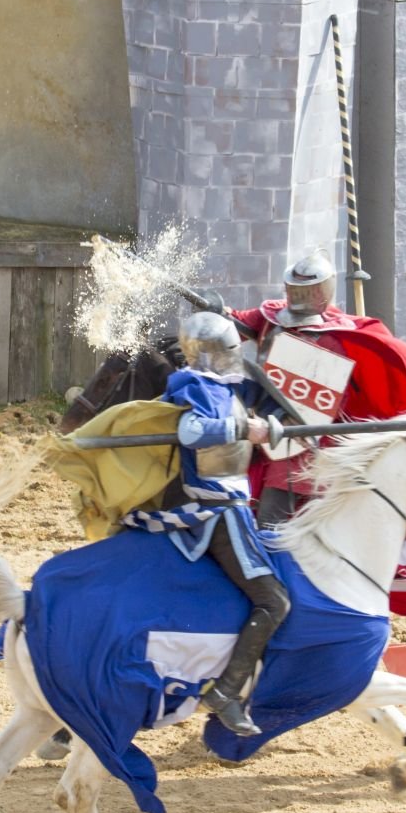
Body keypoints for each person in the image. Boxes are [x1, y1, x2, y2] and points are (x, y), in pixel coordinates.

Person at [227, 250, 406, 527]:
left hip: (308, 443)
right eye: (295, 288)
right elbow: (233, 326)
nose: (299, 295)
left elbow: (328, 404)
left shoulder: (336, 337)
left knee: (274, 521)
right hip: (265, 429)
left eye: (307, 289)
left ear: (323, 291)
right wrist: (216, 316)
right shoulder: (271, 316)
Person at [132, 312, 288, 738]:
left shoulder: (224, 385)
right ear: (213, 352)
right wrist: (246, 428)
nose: (237, 354)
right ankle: (226, 693)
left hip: (233, 504)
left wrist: (277, 419)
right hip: (216, 512)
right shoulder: (194, 386)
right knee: (274, 602)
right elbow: (192, 431)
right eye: (230, 348)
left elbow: (265, 404)